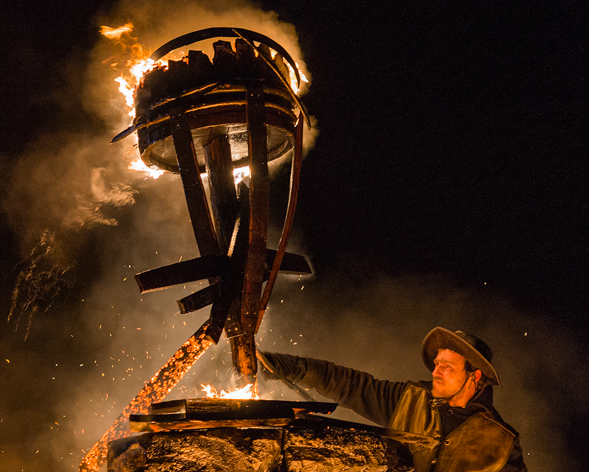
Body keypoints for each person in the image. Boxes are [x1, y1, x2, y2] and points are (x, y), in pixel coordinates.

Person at [260, 327, 527, 472]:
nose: (435, 372)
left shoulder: (502, 442)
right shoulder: (409, 400)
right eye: (436, 364)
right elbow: (348, 383)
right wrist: (285, 366)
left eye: (448, 367)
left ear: (474, 376)